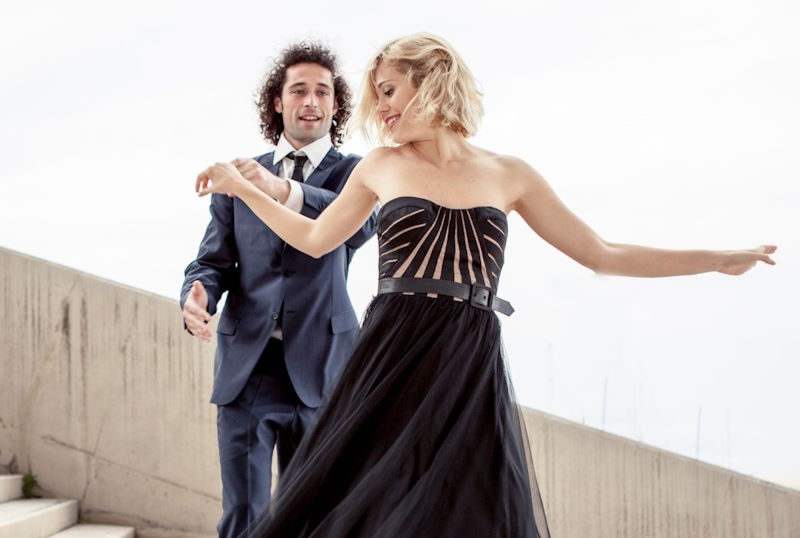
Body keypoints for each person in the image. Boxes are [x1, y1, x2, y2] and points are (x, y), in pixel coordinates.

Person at [195, 33, 777, 538]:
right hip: (391, 354)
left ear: (433, 78)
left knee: (470, 510)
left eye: (390, 92)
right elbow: (317, 239)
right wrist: (245, 189)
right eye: (377, 98)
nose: (382, 111)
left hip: (470, 356)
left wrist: (717, 258)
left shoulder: (510, 174)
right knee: (353, 505)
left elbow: (601, 253)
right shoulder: (381, 165)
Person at [180, 41, 377, 538]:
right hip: (248, 369)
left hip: (324, 369)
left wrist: (275, 190)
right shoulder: (240, 174)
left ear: (336, 105)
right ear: (278, 101)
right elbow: (212, 261)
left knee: (313, 517)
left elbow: (355, 227)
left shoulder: (356, 173)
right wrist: (197, 293)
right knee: (242, 516)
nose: (311, 101)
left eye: (322, 92)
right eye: (299, 90)